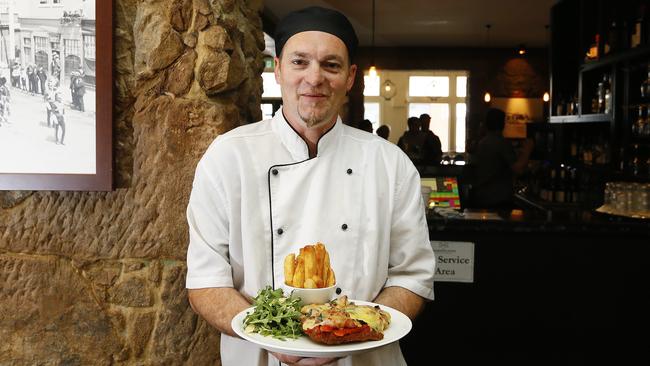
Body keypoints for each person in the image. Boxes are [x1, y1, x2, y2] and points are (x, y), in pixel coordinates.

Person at [186, 6, 435, 366]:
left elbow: (412, 278)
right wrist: (273, 336)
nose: (314, 78)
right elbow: (206, 282)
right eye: (300, 62)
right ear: (278, 69)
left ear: (349, 78)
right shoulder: (228, 157)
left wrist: (352, 332)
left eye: (330, 65)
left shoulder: (389, 164)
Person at [470, 108, 534, 209]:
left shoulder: (482, 142)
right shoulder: (501, 143)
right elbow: (518, 169)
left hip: (482, 196)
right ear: (502, 124)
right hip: (498, 199)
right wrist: (527, 150)